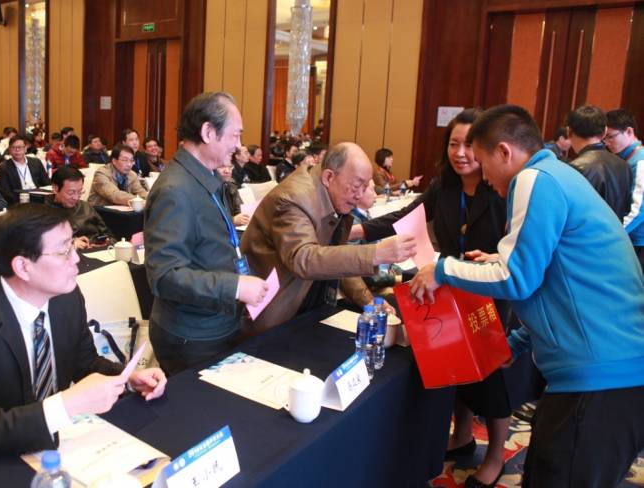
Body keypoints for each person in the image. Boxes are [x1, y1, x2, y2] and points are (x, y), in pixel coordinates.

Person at [409, 104, 644, 488]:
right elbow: (556, 279)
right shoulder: (558, 175)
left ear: (504, 152)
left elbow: (516, 278)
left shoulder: (535, 179)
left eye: (483, 162)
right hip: (600, 375)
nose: (485, 177)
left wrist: (442, 270)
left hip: (600, 377)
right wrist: (517, 341)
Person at [0, 204, 167, 483]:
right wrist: (67, 405)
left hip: (43, 448)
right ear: (23, 266)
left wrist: (127, 378)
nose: (76, 258)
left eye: (72, 245)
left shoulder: (66, 297)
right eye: (64, 251)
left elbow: (84, 361)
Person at [359, 109, 519, 487]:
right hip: (449, 291)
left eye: (469, 145)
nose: (460, 153)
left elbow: (516, 251)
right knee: (457, 368)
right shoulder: (443, 187)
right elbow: (403, 216)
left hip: (490, 295)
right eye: (453, 144)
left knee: (491, 380)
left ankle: (495, 455)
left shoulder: (501, 190)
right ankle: (462, 436)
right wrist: (357, 231)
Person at [144, 92, 269, 375]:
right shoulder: (175, 190)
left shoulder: (206, 176)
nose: (239, 145)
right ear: (208, 132)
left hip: (216, 320)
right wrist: (234, 287)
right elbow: (165, 275)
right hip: (192, 335)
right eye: (235, 135)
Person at [240, 143, 414, 334]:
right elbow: (304, 259)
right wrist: (375, 254)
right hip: (275, 313)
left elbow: (336, 258)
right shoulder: (294, 198)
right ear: (329, 177)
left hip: (309, 304)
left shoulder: (333, 196)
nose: (359, 195)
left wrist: (368, 301)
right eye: (356, 186)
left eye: (365, 187)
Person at [566, 105, 631, 220]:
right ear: (605, 131)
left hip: (587, 231)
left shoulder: (574, 169)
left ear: (569, 131)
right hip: (616, 230)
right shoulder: (624, 165)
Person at [605, 109, 644, 269]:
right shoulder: (627, 158)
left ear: (629, 131)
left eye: (611, 136)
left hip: (639, 240)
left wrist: (614, 235)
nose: (607, 143)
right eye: (604, 138)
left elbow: (638, 209)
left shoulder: (640, 161)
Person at [47, 167, 112, 249]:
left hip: (97, 250)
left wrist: (106, 242)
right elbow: (43, 243)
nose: (76, 197)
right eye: (71, 193)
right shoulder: (43, 211)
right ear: (55, 189)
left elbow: (108, 235)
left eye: (80, 192)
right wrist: (70, 243)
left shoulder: (85, 207)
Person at [0, 135, 51, 204]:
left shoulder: (36, 162)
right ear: (9, 150)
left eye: (20, 147)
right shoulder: (4, 168)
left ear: (25, 148)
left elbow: (46, 183)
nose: (17, 150)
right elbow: (6, 193)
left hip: (39, 199)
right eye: (13, 147)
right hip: (19, 201)